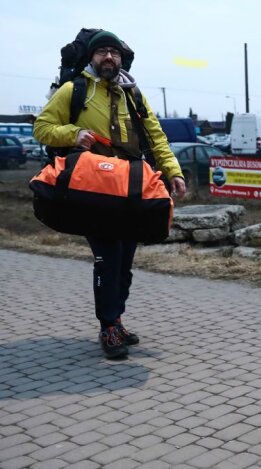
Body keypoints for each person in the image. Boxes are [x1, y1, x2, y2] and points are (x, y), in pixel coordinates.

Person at [34, 30, 186, 360]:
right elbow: (42, 127)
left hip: (128, 188)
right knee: (108, 259)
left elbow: (156, 136)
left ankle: (116, 319)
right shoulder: (73, 90)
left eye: (114, 52)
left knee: (125, 265)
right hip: (92, 188)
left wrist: (173, 172)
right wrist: (75, 133)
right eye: (101, 51)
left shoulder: (133, 94)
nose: (108, 57)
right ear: (91, 58)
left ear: (121, 59)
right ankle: (108, 327)